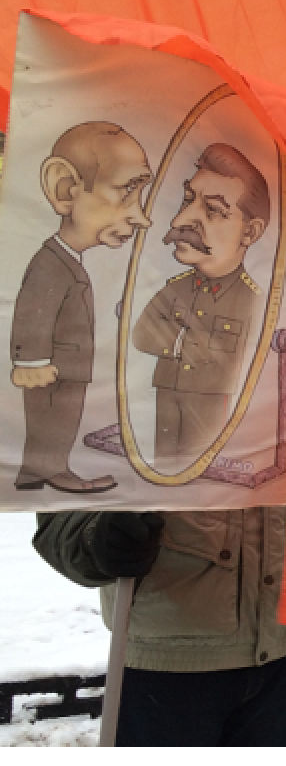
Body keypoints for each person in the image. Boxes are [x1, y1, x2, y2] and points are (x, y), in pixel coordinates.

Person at [32, 505, 286, 745]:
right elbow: (60, 501)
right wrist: (95, 540)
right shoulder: (115, 403)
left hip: (278, 657)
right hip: (168, 668)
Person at [12, 122, 152, 494]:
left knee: (60, 422)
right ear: (65, 188)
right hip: (53, 370)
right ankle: (48, 470)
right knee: (53, 422)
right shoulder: (50, 263)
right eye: (127, 191)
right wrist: (30, 362)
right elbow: (33, 310)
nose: (142, 218)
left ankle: (39, 470)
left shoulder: (68, 262)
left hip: (66, 367)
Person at [132, 143, 268, 462]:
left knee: (199, 470)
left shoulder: (255, 301)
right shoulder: (175, 289)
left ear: (250, 231)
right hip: (167, 390)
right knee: (163, 467)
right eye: (188, 200)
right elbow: (140, 334)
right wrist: (185, 343)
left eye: (214, 210)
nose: (182, 220)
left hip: (211, 400)